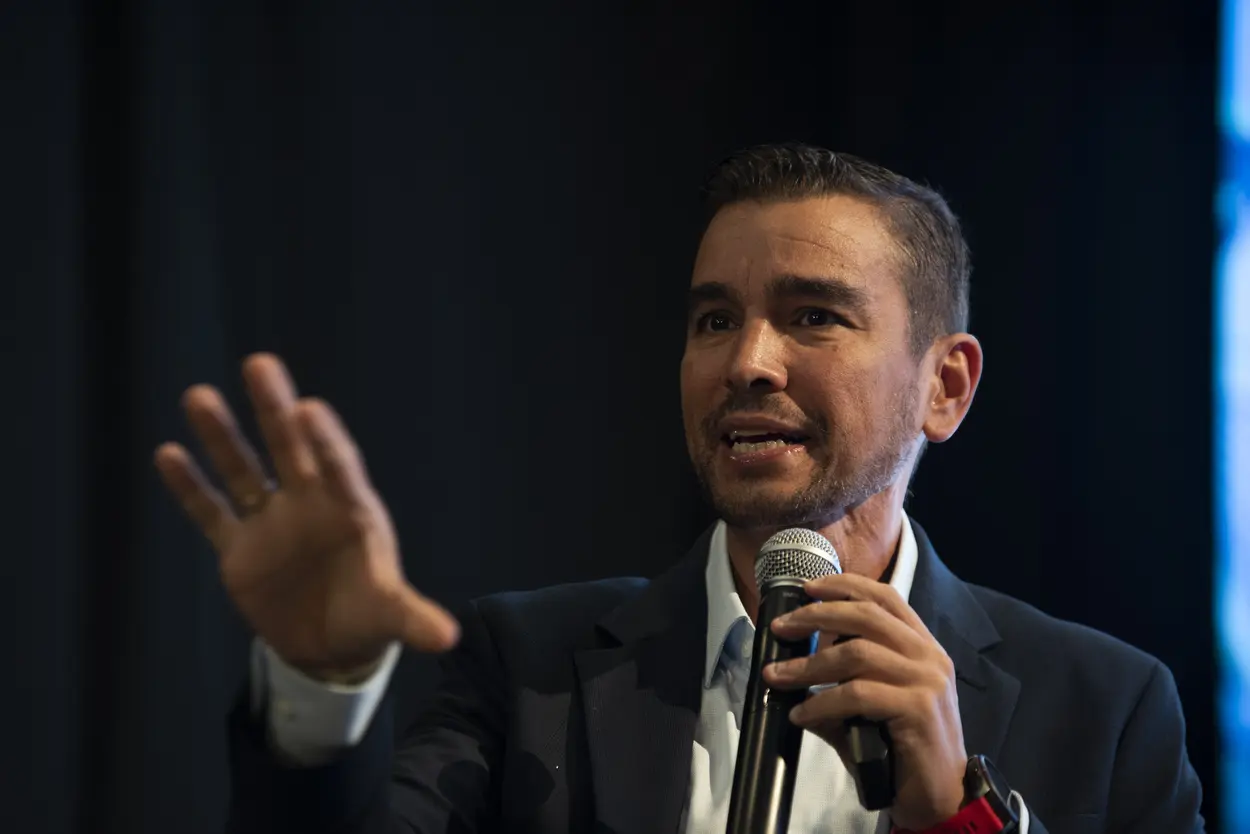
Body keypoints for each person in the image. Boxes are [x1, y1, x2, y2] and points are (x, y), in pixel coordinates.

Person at [155, 144, 1204, 834]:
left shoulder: (1106, 710)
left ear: (945, 387)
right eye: (713, 320)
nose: (746, 361)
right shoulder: (526, 670)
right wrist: (320, 683)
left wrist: (953, 817)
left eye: (813, 316)